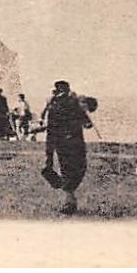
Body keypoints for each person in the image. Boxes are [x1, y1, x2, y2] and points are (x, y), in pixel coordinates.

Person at [41, 80, 95, 214]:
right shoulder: (74, 103)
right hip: (76, 142)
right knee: (78, 169)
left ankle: (69, 199)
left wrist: (49, 155)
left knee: (67, 170)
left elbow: (51, 131)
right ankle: (69, 200)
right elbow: (88, 124)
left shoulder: (54, 105)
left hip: (61, 143)